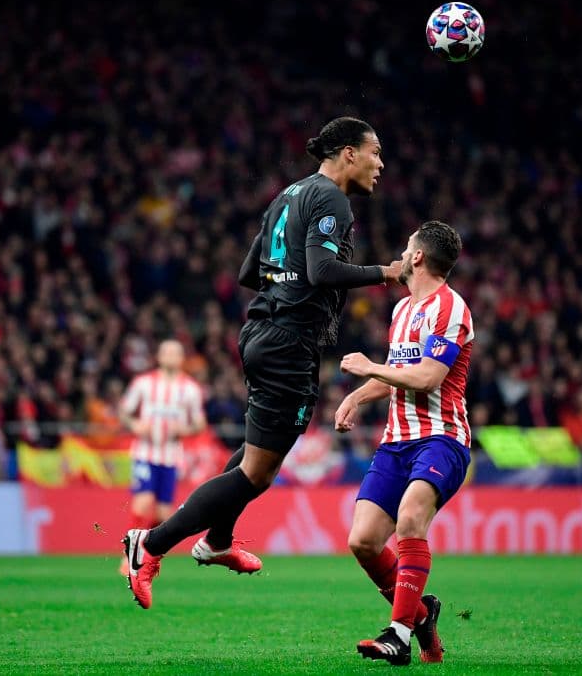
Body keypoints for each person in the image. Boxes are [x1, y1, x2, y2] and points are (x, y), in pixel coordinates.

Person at [123, 116, 402, 609]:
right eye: (375, 152)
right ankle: (149, 544)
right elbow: (321, 269)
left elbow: (249, 272)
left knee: (256, 459)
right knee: (256, 472)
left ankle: (217, 541)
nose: (380, 163)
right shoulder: (332, 199)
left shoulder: (287, 195)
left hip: (262, 332)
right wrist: (386, 272)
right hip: (288, 342)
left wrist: (286, 287)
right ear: (348, 153)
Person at [335, 221, 473, 666]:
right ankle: (422, 617)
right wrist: (358, 396)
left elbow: (428, 376)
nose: (401, 252)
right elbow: (399, 372)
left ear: (417, 257)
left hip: (441, 438)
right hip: (396, 442)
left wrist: (370, 367)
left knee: (411, 517)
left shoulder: (450, 308)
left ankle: (398, 634)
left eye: (406, 245)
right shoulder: (401, 310)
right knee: (363, 541)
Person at [117, 340, 206, 575]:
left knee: (163, 514)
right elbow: (124, 411)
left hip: (170, 457)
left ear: (182, 358)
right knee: (143, 501)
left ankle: (149, 553)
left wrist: (185, 430)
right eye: (167, 352)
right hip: (145, 453)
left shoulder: (190, 389)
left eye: (176, 353)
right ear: (158, 356)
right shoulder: (143, 383)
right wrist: (135, 424)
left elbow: (199, 423)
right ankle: (129, 556)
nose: (171, 356)